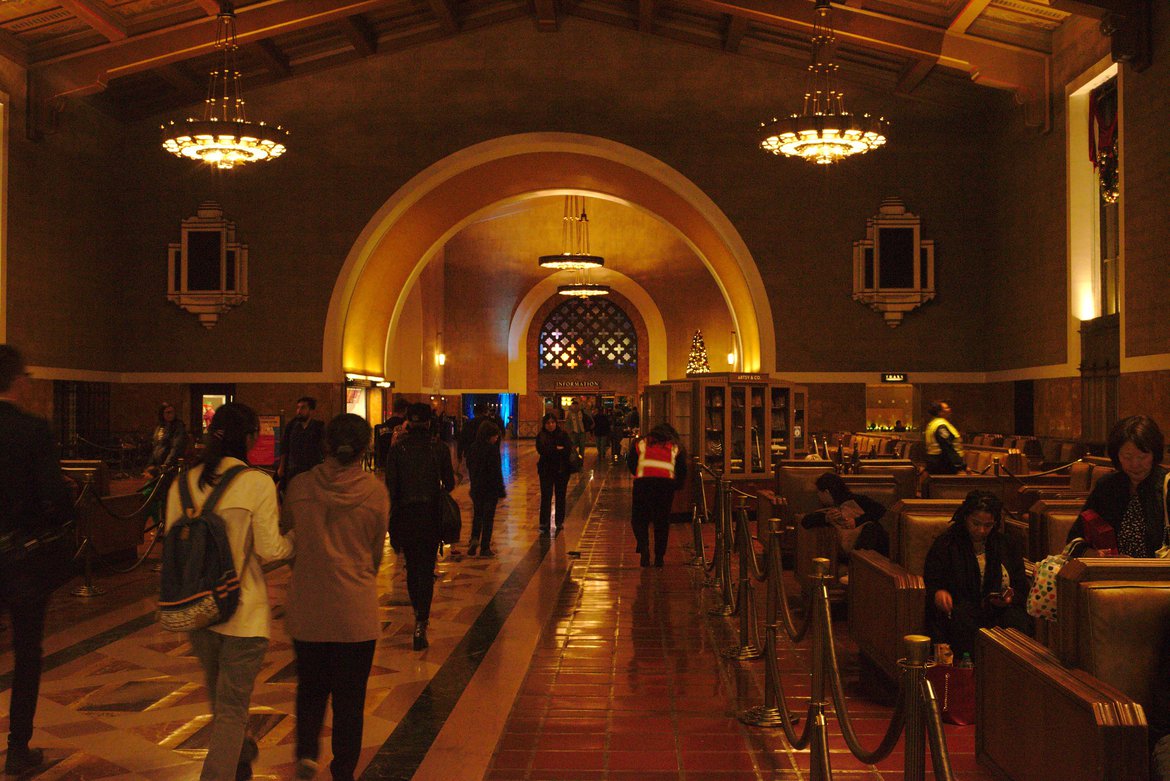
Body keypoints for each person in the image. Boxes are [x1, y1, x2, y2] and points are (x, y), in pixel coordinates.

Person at [165, 403, 294, 781]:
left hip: (197, 608)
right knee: (233, 706)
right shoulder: (257, 482)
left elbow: (174, 545)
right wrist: (295, 541)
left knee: (222, 700)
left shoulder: (181, 484)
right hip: (243, 612)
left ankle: (239, 751)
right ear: (252, 438)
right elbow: (271, 550)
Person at [284, 414, 388, 781]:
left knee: (310, 688)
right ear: (365, 448)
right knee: (350, 699)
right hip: (355, 612)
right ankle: (343, 770)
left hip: (308, 605)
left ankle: (307, 753)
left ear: (325, 445)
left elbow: (289, 537)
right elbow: (376, 553)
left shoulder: (299, 487)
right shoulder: (375, 492)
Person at [0, 346, 74, 775]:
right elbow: (55, 501)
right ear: (17, 380)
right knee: (27, 654)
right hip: (22, 561)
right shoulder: (32, 430)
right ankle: (16, 749)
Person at [923, 490, 1030, 660]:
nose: (981, 530)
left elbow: (1020, 585)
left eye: (988, 525)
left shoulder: (1005, 545)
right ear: (965, 518)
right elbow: (933, 580)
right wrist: (938, 593)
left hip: (997, 609)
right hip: (960, 606)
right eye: (976, 523)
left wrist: (1010, 598)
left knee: (1017, 621)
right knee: (962, 621)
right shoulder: (947, 543)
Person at [385, 403, 454, 650]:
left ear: (408, 423)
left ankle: (417, 613)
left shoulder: (397, 449)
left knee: (412, 568)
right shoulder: (439, 448)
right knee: (426, 569)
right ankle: (421, 622)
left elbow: (391, 487)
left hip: (405, 515)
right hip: (430, 515)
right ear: (429, 423)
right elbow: (451, 483)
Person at [1066, 415, 1168, 558]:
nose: (1135, 464)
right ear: (1117, 455)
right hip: (1110, 574)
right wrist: (1096, 555)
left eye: (1142, 457)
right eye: (1127, 456)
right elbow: (1075, 538)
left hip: (1155, 576)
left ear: (1154, 453)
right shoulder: (1107, 487)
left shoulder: (1166, 486)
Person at [626, 423, 688, 567]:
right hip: (665, 486)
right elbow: (682, 469)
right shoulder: (675, 446)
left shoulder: (641, 443)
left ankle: (644, 548)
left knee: (639, 519)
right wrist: (677, 486)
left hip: (643, 484)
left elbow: (631, 461)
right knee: (661, 522)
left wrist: (640, 473)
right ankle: (659, 557)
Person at [800, 472, 890, 558]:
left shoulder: (857, 500)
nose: (818, 496)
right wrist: (826, 518)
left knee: (870, 529)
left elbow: (880, 509)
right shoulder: (829, 510)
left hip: (877, 545)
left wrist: (856, 521)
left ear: (826, 492)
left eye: (819, 492)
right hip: (853, 550)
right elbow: (805, 521)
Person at [466, 421, 506, 557]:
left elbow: (469, 467)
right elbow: (496, 471)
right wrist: (501, 489)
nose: (496, 439)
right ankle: (485, 547)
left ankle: (474, 537)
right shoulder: (492, 450)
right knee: (488, 518)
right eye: (495, 436)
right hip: (490, 489)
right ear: (489, 436)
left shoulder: (472, 448)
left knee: (477, 515)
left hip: (476, 487)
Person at [535, 412, 573, 536]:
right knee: (546, 496)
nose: (550, 425)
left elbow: (567, 449)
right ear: (544, 424)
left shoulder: (563, 434)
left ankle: (559, 521)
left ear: (556, 423)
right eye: (548, 423)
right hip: (546, 471)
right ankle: (544, 522)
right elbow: (542, 450)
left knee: (560, 496)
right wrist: (557, 449)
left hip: (561, 470)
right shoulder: (541, 436)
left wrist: (553, 449)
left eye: (552, 422)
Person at [278, 396, 325, 492]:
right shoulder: (291, 426)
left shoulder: (318, 427)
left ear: (311, 411)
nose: (299, 411)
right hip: (293, 469)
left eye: (303, 408)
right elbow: (285, 446)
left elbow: (323, 448)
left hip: (312, 469)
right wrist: (281, 467)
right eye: (298, 408)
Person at [924, 400, 965, 475]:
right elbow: (948, 447)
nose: (949, 409)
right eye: (946, 408)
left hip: (934, 461)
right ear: (940, 412)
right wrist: (960, 466)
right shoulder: (941, 425)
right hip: (944, 464)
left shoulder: (932, 424)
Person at [145, 402, 187, 476]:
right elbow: (156, 446)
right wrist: (150, 464)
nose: (170, 415)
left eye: (172, 412)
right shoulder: (160, 427)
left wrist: (165, 466)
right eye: (167, 412)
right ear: (162, 414)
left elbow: (176, 447)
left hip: (170, 467)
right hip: (158, 465)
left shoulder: (178, 426)